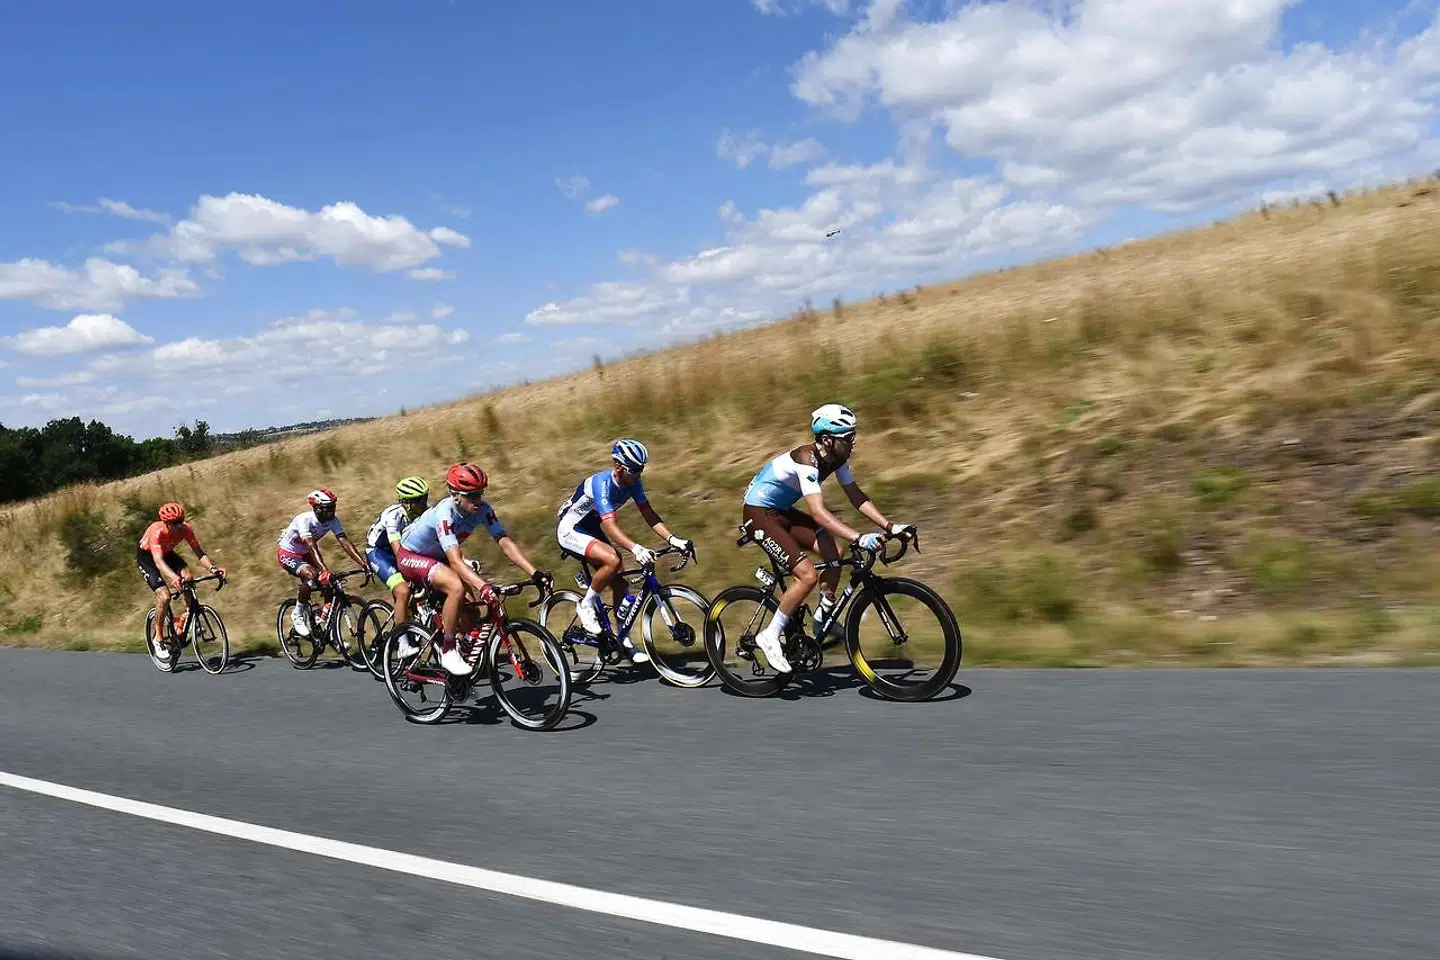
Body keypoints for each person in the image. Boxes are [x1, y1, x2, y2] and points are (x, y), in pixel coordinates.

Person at [739, 403, 915, 672]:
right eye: (848, 438)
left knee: (835, 554)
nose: (853, 443)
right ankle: (769, 635)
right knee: (807, 575)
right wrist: (858, 537)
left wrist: (889, 526)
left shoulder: (837, 459)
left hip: (781, 512)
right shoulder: (807, 458)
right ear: (827, 439)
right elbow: (819, 513)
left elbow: (856, 496)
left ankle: (823, 617)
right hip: (758, 514)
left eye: (854, 436)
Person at [395, 462, 552, 677]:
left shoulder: (483, 510)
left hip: (438, 557)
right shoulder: (445, 513)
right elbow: (456, 562)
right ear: (454, 493)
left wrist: (534, 572)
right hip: (411, 556)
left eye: (480, 493)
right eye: (471, 495)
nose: (477, 500)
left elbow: (504, 541)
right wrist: (483, 586)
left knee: (472, 609)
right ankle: (448, 650)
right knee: (456, 588)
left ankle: (461, 644)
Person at [554, 438, 692, 665]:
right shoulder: (602, 484)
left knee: (620, 582)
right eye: (635, 469)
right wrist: (636, 549)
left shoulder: (633, 483)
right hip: (570, 529)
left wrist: (673, 538)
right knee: (612, 558)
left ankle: (623, 640)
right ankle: (586, 606)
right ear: (619, 467)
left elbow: (649, 514)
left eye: (642, 469)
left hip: (589, 528)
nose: (639, 474)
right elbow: (610, 526)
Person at [136, 501, 225, 663]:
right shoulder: (157, 532)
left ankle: (186, 618)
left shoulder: (186, 529)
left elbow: (199, 553)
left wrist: (213, 569)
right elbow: (158, 561)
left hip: (168, 553)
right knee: (165, 596)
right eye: (175, 523)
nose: (179, 526)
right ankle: (158, 638)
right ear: (166, 523)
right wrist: (173, 578)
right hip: (148, 557)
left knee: (188, 578)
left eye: (181, 521)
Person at [275, 487, 368, 637]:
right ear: (317, 509)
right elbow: (312, 546)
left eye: (334, 507)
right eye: (328, 508)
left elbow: (344, 542)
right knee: (312, 575)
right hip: (288, 553)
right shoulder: (304, 520)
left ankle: (325, 625)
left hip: (305, 554)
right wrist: (324, 570)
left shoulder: (333, 520)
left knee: (331, 583)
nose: (332, 511)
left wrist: (363, 564)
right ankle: (297, 614)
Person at [365, 475, 430, 657]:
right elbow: (398, 551)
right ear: (407, 503)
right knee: (402, 590)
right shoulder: (394, 516)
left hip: (404, 551)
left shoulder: (426, 512)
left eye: (425, 497)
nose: (424, 503)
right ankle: (402, 644)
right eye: (420, 500)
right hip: (379, 553)